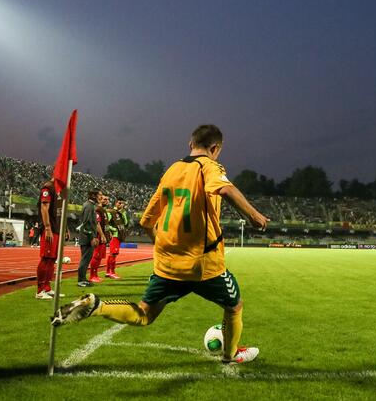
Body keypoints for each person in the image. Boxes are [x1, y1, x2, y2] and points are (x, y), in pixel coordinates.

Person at [54, 124, 270, 365]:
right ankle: (231, 356)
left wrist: (165, 246)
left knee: (144, 313)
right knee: (234, 305)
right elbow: (225, 188)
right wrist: (254, 215)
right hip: (203, 265)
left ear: (190, 145)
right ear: (215, 148)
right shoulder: (209, 166)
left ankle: (98, 306)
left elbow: (147, 220)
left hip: (167, 264)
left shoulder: (171, 170)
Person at [35, 180, 64, 300]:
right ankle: (39, 290)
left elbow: (59, 213)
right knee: (46, 259)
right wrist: (47, 228)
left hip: (56, 229)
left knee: (52, 259)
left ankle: (47, 287)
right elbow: (44, 207)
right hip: (49, 229)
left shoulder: (60, 191)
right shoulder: (48, 188)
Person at [78, 189, 106, 287]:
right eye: (100, 195)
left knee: (86, 259)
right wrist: (92, 237)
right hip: (87, 238)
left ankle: (83, 279)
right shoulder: (89, 206)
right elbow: (86, 224)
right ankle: (81, 280)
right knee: (85, 259)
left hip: (87, 237)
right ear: (94, 196)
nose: (102, 197)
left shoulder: (90, 206)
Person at [88, 194, 111, 283]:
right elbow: (97, 224)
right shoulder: (97, 209)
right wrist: (101, 235)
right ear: (100, 200)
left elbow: (105, 224)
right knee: (96, 256)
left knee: (99, 257)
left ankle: (95, 275)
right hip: (98, 236)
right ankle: (92, 276)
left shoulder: (103, 210)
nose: (106, 201)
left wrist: (108, 233)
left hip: (103, 235)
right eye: (104, 199)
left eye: (107, 199)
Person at [105, 197, 128, 279]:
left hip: (119, 236)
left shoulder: (121, 213)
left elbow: (125, 223)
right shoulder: (111, 212)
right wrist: (113, 229)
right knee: (113, 254)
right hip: (115, 236)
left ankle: (108, 272)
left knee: (112, 254)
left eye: (122, 203)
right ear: (115, 203)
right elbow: (105, 222)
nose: (121, 204)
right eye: (119, 203)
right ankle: (112, 272)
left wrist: (124, 213)